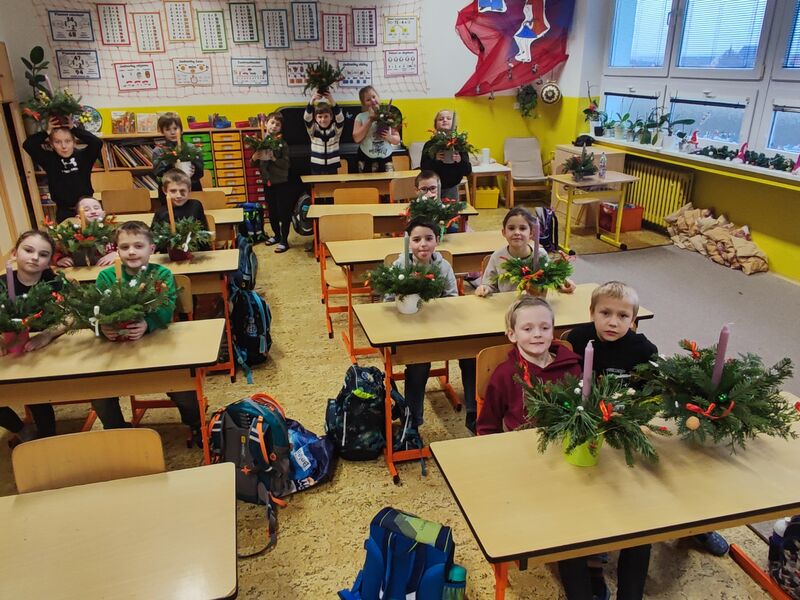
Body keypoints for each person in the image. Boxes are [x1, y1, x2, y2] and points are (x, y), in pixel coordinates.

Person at [567, 281, 730, 561]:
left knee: (672, 464)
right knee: (599, 477)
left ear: (633, 320)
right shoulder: (578, 339)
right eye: (605, 313)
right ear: (591, 312)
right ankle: (597, 535)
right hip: (591, 421)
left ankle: (696, 525)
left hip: (634, 419)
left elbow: (654, 390)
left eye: (623, 316)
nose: (613, 322)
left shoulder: (643, 349)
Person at [89, 221, 202, 444]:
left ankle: (196, 423)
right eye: (124, 247)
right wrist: (103, 327)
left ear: (151, 249)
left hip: (156, 345)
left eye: (138, 246)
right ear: (117, 250)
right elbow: (94, 310)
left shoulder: (161, 274)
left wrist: (147, 324)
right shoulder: (106, 277)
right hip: (117, 349)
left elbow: (166, 308)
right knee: (99, 393)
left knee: (181, 385)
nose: (131, 252)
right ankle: (117, 429)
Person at [389, 218, 477, 433]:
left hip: (441, 327)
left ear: (437, 240)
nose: (423, 244)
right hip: (412, 331)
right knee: (418, 365)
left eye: (428, 238)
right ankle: (413, 421)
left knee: (470, 354)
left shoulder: (443, 266)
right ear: (408, 242)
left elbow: (452, 297)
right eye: (416, 239)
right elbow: (388, 299)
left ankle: (474, 412)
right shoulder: (400, 266)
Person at [476, 295, 581, 435]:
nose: (537, 334)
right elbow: (487, 427)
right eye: (527, 329)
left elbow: (583, 414)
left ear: (552, 332)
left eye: (545, 328)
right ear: (512, 335)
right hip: (520, 444)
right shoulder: (505, 375)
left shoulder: (572, 368)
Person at [0, 231, 66, 443]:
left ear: (49, 261)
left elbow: (70, 317)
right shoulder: (2, 284)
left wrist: (47, 335)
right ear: (14, 253)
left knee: (35, 391)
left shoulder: (54, 284)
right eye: (28, 250)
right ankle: (19, 428)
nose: (35, 257)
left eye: (43, 254)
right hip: (11, 352)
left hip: (43, 352)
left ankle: (47, 438)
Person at [475, 207, 576, 297]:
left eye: (522, 228)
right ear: (504, 232)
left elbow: (552, 278)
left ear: (531, 233)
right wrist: (484, 289)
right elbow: (489, 285)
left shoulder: (540, 255)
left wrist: (564, 282)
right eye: (511, 228)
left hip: (535, 304)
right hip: (507, 306)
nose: (517, 232)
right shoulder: (497, 257)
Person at [22, 116, 103, 222]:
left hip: (87, 209)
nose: (64, 146)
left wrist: (74, 129)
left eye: (68, 141)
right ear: (51, 144)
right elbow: (28, 145)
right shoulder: (48, 159)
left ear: (74, 142)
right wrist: (46, 132)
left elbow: (96, 142)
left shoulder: (84, 157)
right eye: (57, 142)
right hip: (65, 211)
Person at [251, 112, 292, 253]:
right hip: (267, 182)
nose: (274, 126)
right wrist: (254, 157)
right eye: (272, 123)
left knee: (283, 212)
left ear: (281, 128)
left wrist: (274, 158)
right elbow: (253, 164)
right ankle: (276, 235)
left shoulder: (282, 144)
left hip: (281, 182)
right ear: (266, 123)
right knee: (272, 211)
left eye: (278, 124)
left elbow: (286, 164)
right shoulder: (261, 143)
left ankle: (284, 240)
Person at [152, 112, 204, 205]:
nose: (172, 132)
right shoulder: (159, 151)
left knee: (194, 208)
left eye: (175, 128)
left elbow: (200, 172)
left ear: (181, 130)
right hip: (170, 190)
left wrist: (195, 169)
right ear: (162, 132)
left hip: (191, 187)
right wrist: (170, 165)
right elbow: (157, 172)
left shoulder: (192, 148)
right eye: (168, 129)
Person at [420, 110, 472, 200]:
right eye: (441, 119)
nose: (444, 120)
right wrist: (435, 159)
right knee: (431, 208)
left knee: (451, 208)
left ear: (454, 124)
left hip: (451, 187)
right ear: (435, 125)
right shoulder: (430, 145)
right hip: (431, 188)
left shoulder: (459, 144)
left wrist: (459, 160)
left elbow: (467, 171)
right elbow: (424, 168)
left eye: (448, 118)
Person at [54, 196, 118, 267]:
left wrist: (117, 254)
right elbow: (55, 251)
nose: (93, 212)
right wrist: (59, 259)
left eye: (96, 208)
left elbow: (126, 246)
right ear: (78, 217)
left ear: (104, 213)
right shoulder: (73, 235)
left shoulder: (114, 231)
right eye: (86, 210)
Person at [352, 86, 400, 173]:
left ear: (378, 97)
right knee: (367, 182)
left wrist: (389, 137)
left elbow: (397, 140)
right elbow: (357, 138)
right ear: (363, 103)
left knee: (387, 181)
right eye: (368, 100)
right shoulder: (360, 117)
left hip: (386, 159)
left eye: (374, 97)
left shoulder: (389, 115)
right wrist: (370, 120)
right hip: (366, 159)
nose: (373, 101)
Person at [304, 91, 344, 175]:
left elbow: (340, 118)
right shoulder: (313, 129)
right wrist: (312, 100)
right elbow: (307, 118)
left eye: (326, 116)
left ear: (331, 117)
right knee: (318, 184)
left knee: (332, 184)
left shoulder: (335, 129)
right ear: (315, 118)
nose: (323, 120)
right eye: (320, 117)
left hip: (332, 167)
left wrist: (331, 100)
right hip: (316, 167)